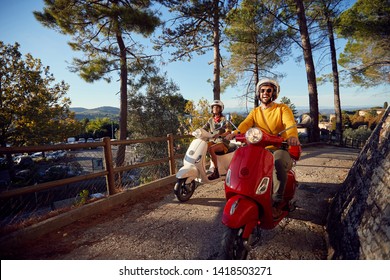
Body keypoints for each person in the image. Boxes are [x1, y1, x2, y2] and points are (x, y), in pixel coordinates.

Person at [225, 78, 300, 216]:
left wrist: (292, 136)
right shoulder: (255, 112)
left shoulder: (282, 109)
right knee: (242, 160)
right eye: (262, 90)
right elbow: (245, 124)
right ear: (259, 93)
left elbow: (289, 123)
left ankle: (276, 202)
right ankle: (243, 191)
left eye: (269, 90)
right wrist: (234, 133)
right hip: (259, 147)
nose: (265, 93)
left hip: (279, 147)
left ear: (274, 93)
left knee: (277, 163)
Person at [202, 100, 231, 180]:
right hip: (214, 141)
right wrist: (196, 131)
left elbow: (228, 132)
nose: (215, 108)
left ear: (220, 109)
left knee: (211, 149)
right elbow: (203, 128)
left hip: (222, 142)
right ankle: (202, 168)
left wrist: (220, 135)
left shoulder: (224, 119)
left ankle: (216, 172)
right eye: (214, 107)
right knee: (203, 146)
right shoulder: (210, 120)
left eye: (217, 107)